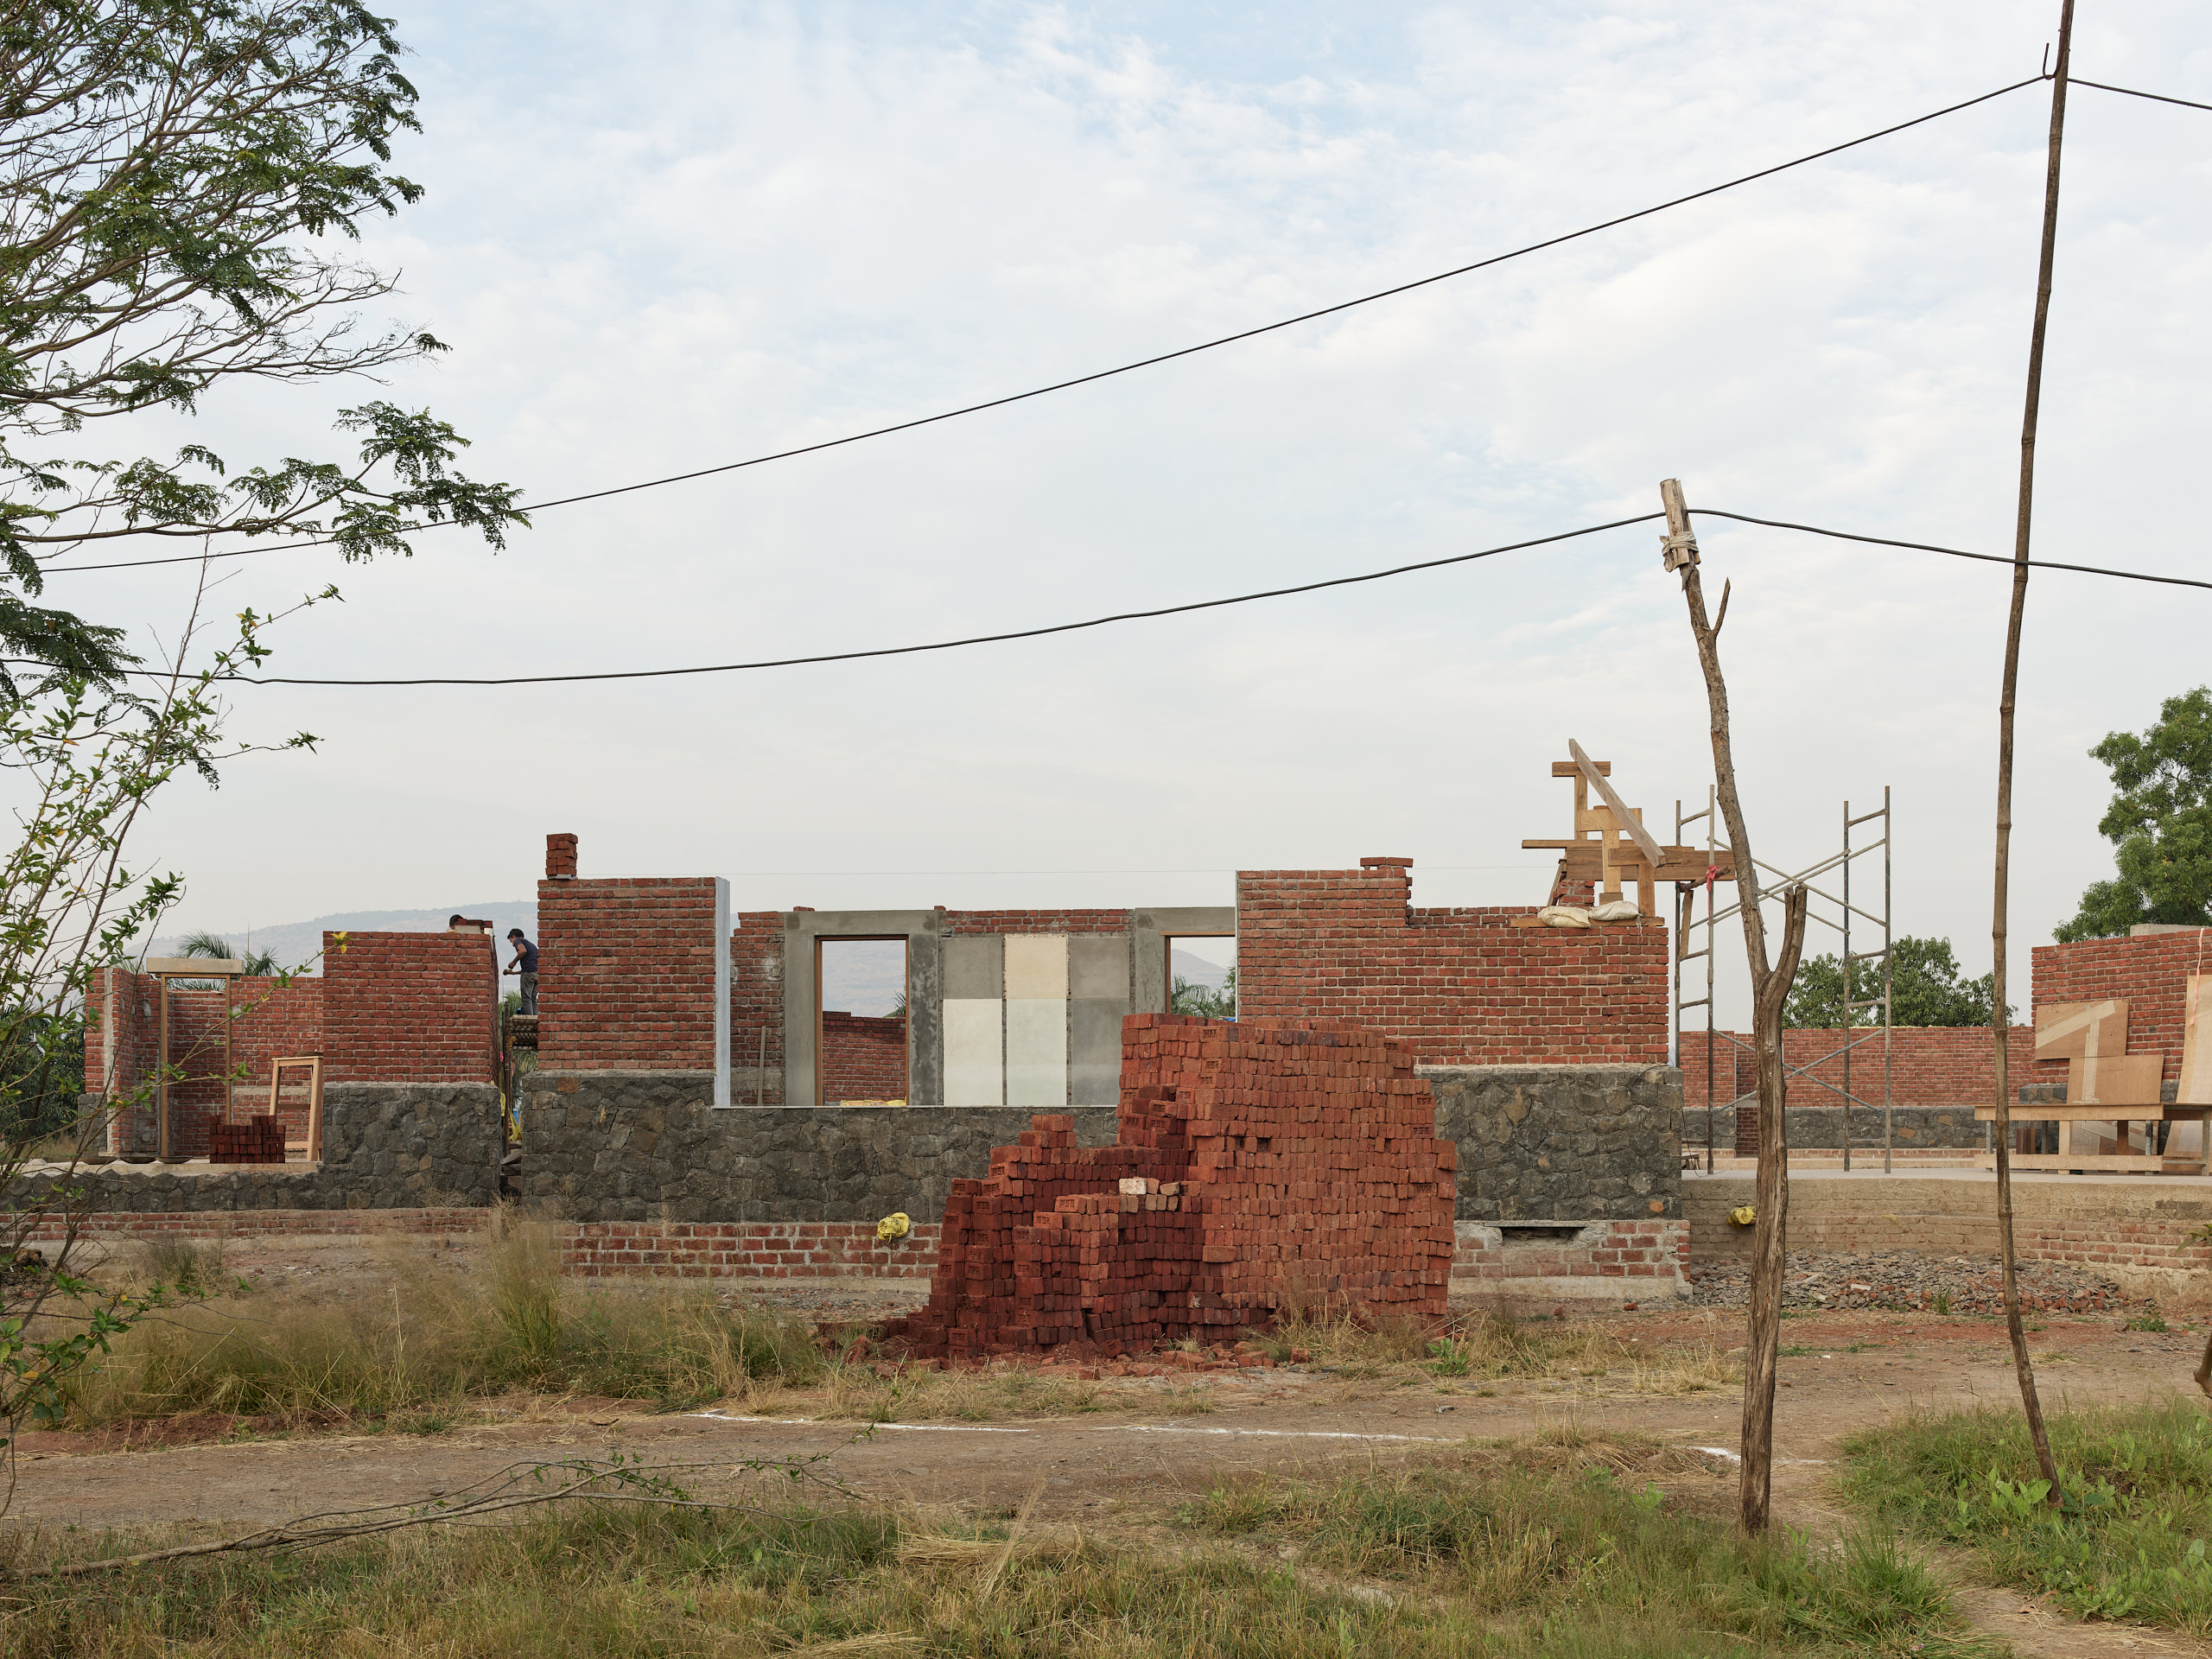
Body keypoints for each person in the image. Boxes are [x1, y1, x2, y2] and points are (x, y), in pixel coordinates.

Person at [505, 928, 539, 1014]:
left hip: (529, 974)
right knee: (532, 999)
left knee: (526, 999)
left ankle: (530, 1019)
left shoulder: (518, 940)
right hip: (537, 974)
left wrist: (513, 962)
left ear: (513, 937)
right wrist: (513, 973)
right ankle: (536, 1019)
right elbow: (529, 969)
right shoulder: (531, 945)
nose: (513, 944)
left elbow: (522, 951)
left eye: (511, 941)